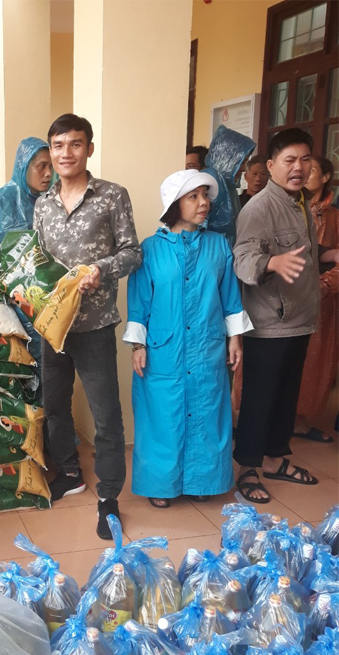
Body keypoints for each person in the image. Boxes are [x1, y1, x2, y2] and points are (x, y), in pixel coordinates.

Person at [33, 113, 141, 539]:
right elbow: (37, 260)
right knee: (55, 406)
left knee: (106, 415)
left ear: (89, 149)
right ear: (51, 151)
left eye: (75, 144)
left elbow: (132, 253)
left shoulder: (112, 196)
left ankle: (108, 497)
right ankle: (70, 473)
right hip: (51, 326)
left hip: (94, 325)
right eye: (58, 146)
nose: (66, 153)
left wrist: (102, 268)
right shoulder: (42, 203)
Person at [123, 170, 252, 508]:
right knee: (162, 416)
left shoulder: (218, 245)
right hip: (164, 351)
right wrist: (138, 345)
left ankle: (202, 481)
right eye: (193, 197)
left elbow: (230, 296)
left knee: (207, 411)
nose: (203, 203)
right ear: (174, 204)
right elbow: (139, 302)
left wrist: (235, 338)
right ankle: (161, 485)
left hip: (208, 347)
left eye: (205, 196)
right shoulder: (150, 250)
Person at [233, 128, 321, 503]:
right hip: (269, 322)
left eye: (305, 159)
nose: (298, 167)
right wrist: (272, 262)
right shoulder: (259, 208)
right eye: (289, 160)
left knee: (286, 396)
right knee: (260, 398)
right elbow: (243, 260)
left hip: (299, 319)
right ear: (271, 166)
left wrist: (329, 254)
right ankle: (248, 468)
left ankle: (274, 458)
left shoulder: (300, 202)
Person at [293, 155, 339, 442]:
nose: (304, 172)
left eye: (312, 170)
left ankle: (299, 421)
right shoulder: (292, 209)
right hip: (289, 298)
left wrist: (323, 286)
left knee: (313, 362)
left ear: (325, 178)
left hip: (323, 302)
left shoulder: (335, 217)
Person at [202, 125, 256, 245]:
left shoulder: (227, 186)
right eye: (241, 162)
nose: (243, 169)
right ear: (227, 158)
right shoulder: (210, 181)